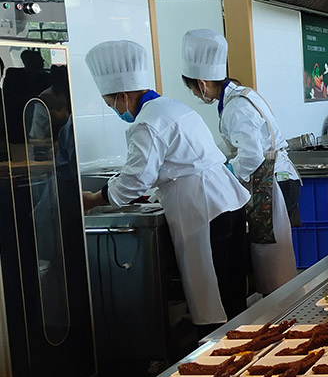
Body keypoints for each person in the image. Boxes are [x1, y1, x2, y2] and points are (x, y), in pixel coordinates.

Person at [81, 40, 251, 325]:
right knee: (231, 289)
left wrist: (94, 199)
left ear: (122, 95)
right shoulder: (172, 106)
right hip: (228, 200)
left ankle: (222, 345)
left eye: (111, 104)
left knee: (213, 295)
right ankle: (244, 342)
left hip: (203, 207)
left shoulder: (146, 122)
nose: (115, 110)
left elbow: (135, 180)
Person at [182, 29, 298, 294]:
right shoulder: (239, 96)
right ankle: (278, 304)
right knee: (270, 258)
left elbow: (251, 156)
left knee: (272, 262)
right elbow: (240, 147)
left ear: (202, 83)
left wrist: (224, 173)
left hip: (271, 185)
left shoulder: (236, 106)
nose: (196, 95)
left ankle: (280, 308)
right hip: (275, 181)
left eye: (193, 89)